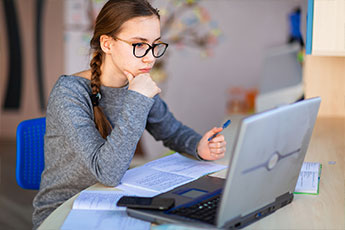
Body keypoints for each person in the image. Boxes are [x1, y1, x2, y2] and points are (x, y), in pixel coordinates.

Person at [32, 0, 227, 228]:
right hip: (64, 211)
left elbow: (171, 131)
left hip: (113, 200)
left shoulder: (138, 83)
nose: (150, 58)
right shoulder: (69, 92)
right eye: (139, 44)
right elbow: (108, 173)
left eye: (155, 45)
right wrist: (137, 99)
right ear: (107, 44)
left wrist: (198, 145)